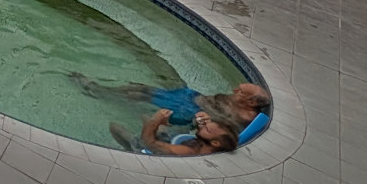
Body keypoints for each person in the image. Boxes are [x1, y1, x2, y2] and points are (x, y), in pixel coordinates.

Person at [77, 78, 270, 129]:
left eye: (240, 92)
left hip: (188, 110)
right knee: (140, 87)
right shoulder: (241, 103)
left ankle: (98, 92)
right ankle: (101, 89)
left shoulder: (243, 117)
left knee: (139, 95)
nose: (235, 91)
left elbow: (221, 125)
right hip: (189, 96)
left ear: (251, 102)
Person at [111, 109, 239, 157]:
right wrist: (202, 119)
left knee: (115, 127)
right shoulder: (211, 144)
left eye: (207, 129)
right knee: (145, 115)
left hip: (153, 148)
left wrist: (155, 122)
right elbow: (205, 126)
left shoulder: (188, 152)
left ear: (215, 142)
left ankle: (129, 148)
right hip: (171, 141)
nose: (203, 127)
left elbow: (148, 142)